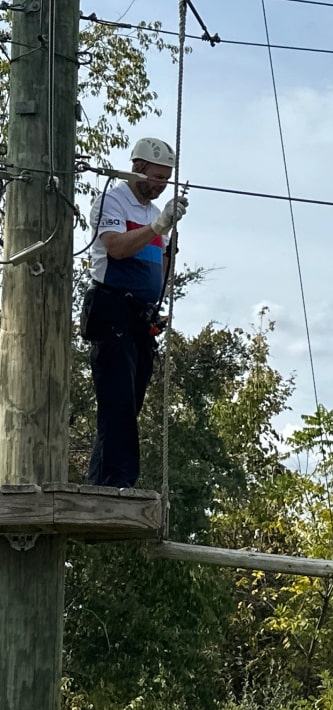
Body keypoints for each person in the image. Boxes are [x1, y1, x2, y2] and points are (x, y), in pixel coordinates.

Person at [82, 137, 189, 488]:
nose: (161, 186)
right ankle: (118, 483)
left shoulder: (154, 216)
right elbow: (115, 248)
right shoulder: (112, 201)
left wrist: (168, 249)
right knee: (118, 403)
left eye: (166, 180)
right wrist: (158, 229)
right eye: (157, 177)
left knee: (131, 403)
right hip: (112, 308)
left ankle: (105, 483)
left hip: (140, 318)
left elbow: (158, 276)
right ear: (138, 167)